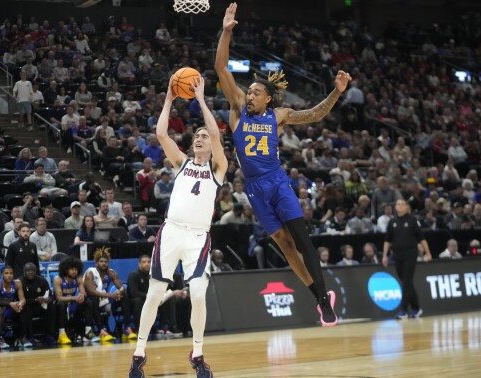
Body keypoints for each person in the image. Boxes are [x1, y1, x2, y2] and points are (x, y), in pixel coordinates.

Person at [215, 2, 350, 328]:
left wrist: (336, 91)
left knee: (303, 241)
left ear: (268, 99)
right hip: (255, 191)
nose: (250, 95)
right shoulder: (237, 110)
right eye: (249, 91)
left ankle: (323, 299)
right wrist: (226, 31)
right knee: (287, 248)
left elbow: (315, 114)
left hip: (277, 182)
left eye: (256, 92)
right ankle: (318, 297)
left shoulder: (279, 116)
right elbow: (221, 69)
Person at [129, 75, 227, 378]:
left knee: (198, 293)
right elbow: (161, 134)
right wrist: (170, 98)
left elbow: (215, 132)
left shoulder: (218, 168)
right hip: (171, 232)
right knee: (154, 294)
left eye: (204, 136)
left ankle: (198, 354)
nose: (199, 138)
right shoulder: (182, 163)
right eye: (196, 136)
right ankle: (138, 354)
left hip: (198, 237)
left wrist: (199, 98)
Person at [383, 199, 432, 319]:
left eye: (402, 204)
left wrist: (428, 253)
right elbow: (387, 240)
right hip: (397, 255)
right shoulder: (392, 222)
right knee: (406, 282)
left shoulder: (412, 220)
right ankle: (416, 308)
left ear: (406, 207)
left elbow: (421, 238)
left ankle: (403, 310)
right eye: (398, 204)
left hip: (410, 253)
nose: (399, 206)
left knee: (406, 281)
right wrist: (385, 255)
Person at [84, 249, 134, 341]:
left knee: (125, 296)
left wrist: (120, 292)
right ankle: (101, 331)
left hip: (105, 301)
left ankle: (126, 328)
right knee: (94, 298)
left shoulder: (111, 273)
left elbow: (122, 287)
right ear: (96, 263)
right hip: (90, 302)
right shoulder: (90, 273)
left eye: (106, 262)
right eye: (101, 261)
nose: (104, 264)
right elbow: (91, 292)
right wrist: (111, 295)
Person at [53, 257, 95, 344]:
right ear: (65, 269)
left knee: (88, 302)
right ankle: (61, 334)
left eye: (76, 269)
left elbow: (83, 293)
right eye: (72, 269)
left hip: (72, 304)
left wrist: (81, 296)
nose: (74, 271)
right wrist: (74, 298)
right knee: (62, 303)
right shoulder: (58, 279)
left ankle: (88, 332)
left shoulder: (78, 278)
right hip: (60, 306)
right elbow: (59, 298)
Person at [19, 263, 57, 345]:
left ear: (36, 271)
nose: (30, 272)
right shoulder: (20, 282)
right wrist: (35, 300)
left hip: (41, 306)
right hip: (28, 306)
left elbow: (51, 295)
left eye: (32, 270)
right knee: (26, 308)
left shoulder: (42, 281)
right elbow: (20, 300)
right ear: (23, 272)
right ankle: (30, 337)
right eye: (28, 270)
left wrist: (48, 299)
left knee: (52, 306)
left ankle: (49, 335)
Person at [0, 265, 29, 348]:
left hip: (12, 308)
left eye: (11, 273)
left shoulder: (17, 283)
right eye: (6, 273)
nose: (9, 275)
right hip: (1, 309)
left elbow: (23, 299)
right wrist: (10, 303)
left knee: (24, 308)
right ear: (2, 275)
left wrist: (20, 304)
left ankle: (22, 338)